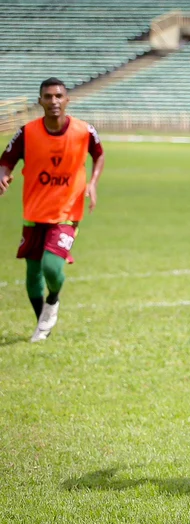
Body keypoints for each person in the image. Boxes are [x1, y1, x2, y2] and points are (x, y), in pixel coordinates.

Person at [0, 77, 105, 342]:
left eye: (58, 96)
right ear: (40, 101)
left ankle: (54, 300)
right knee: (32, 273)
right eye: (48, 97)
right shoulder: (27, 132)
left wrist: (92, 183)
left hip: (67, 212)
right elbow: (7, 160)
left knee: (51, 265)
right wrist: (2, 175)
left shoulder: (84, 131)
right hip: (34, 211)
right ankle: (42, 324)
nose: (54, 101)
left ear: (67, 100)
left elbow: (99, 153)